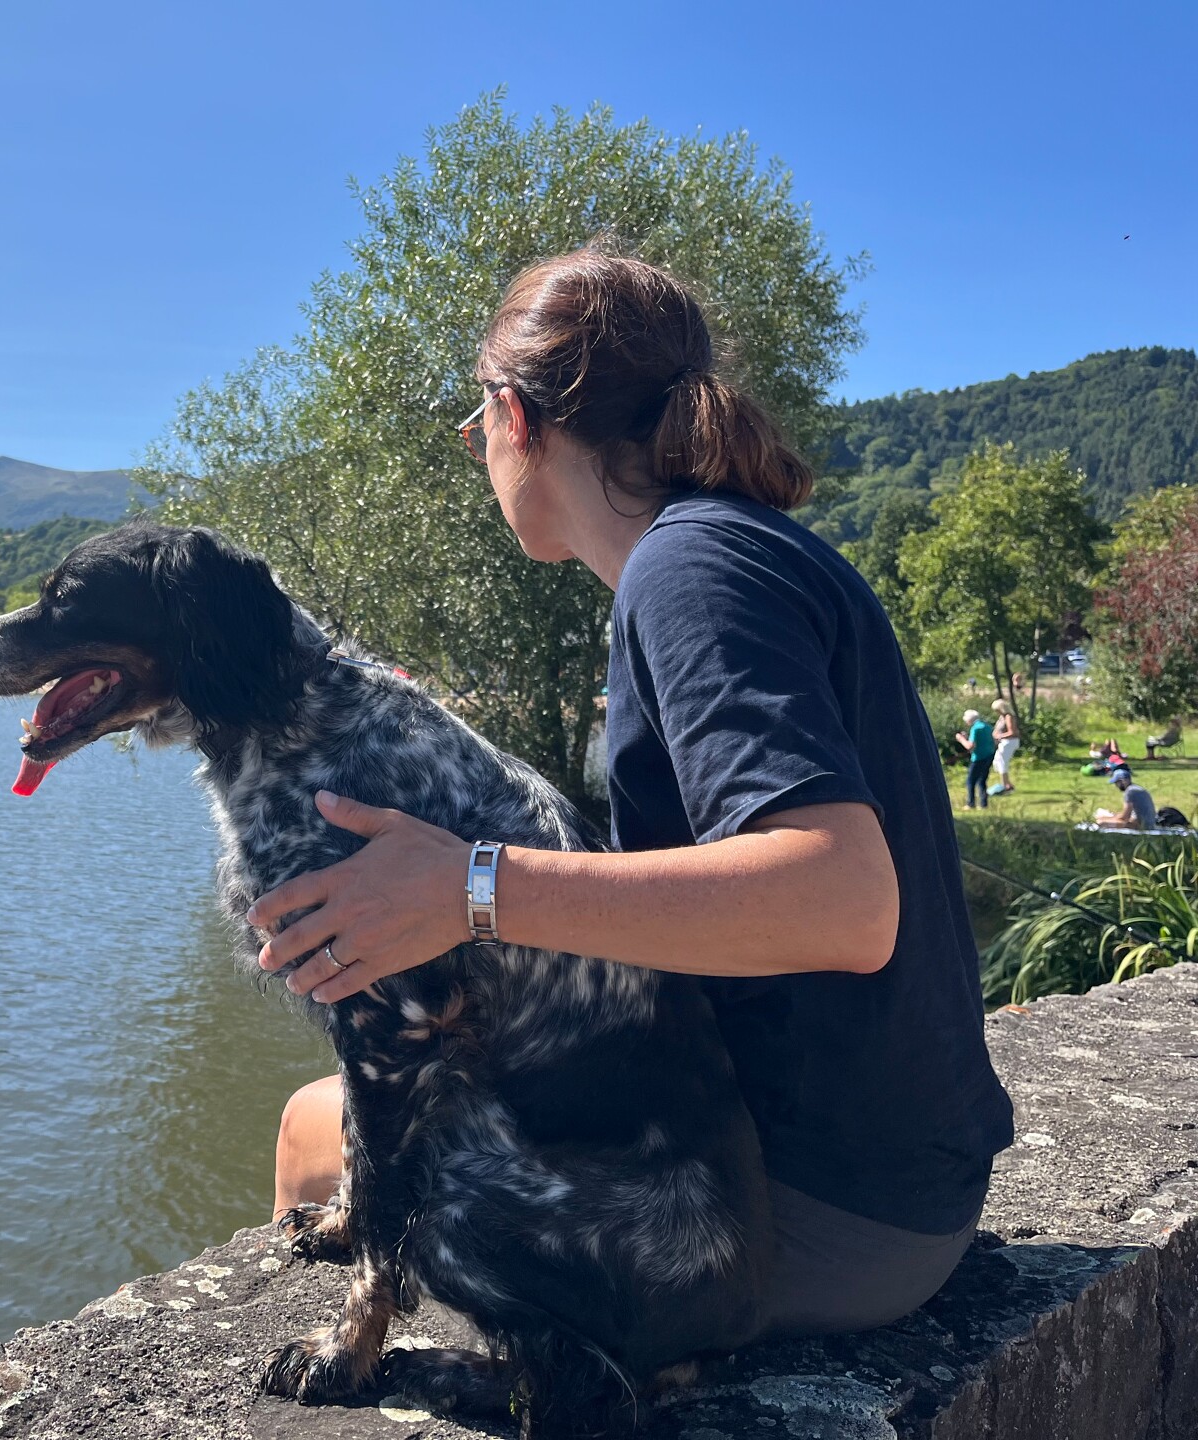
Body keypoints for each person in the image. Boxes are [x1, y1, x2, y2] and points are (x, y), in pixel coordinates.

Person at [252, 248, 1011, 1342]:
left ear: (517, 418)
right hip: (893, 1185)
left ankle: (358, 1365)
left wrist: (467, 888)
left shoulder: (689, 571)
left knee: (319, 1128)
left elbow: (841, 900)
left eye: (475, 426)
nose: (478, 453)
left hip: (812, 1215)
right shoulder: (741, 550)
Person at [1095, 767, 1160, 831]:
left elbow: (1125, 817)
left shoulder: (1130, 791)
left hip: (1141, 826)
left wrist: (1108, 818)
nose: (1116, 785)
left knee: (1101, 822)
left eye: (1117, 782)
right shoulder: (1137, 788)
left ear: (1123, 781)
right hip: (1149, 824)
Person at [958, 708, 995, 809]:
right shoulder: (987, 726)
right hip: (989, 756)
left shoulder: (975, 728)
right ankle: (983, 804)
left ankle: (970, 803)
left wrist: (961, 739)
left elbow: (970, 746)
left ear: (969, 719)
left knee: (970, 780)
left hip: (978, 757)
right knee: (982, 780)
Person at [990, 699, 1020, 794]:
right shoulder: (1002, 717)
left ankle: (1005, 785)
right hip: (1004, 742)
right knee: (998, 761)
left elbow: (1012, 732)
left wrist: (999, 736)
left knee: (1002, 762)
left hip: (1009, 742)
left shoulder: (1008, 716)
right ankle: (1007, 784)